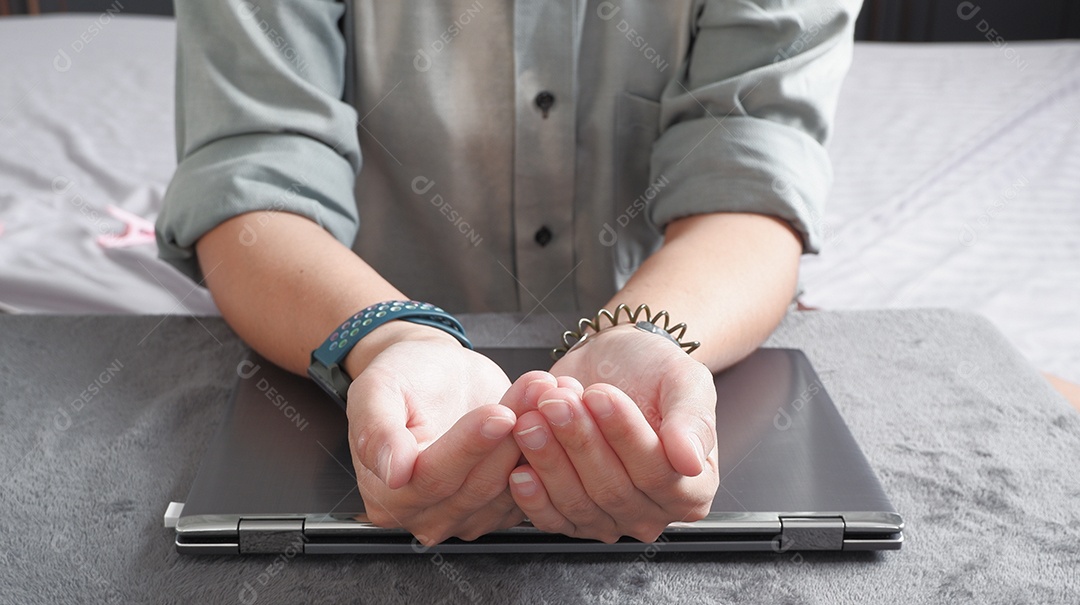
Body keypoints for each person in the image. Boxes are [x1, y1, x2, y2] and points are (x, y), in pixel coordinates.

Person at [157, 0, 860, 545]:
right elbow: (252, 179)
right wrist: (395, 341)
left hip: (696, 335)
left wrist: (647, 335)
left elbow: (752, 182)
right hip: (332, 355)